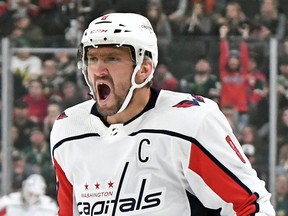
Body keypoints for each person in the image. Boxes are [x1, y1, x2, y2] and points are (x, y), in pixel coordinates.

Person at [50, 13, 275, 215]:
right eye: (92, 59)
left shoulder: (189, 122)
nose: (98, 70)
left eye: (112, 58)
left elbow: (251, 206)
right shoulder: (68, 130)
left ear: (144, 69)